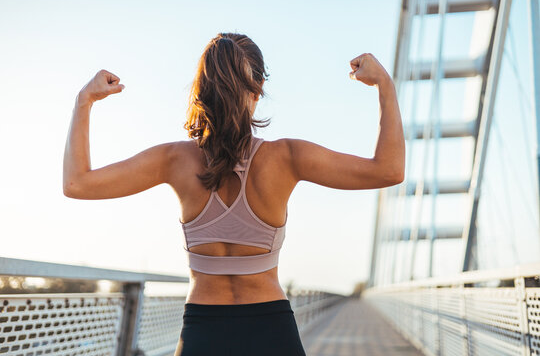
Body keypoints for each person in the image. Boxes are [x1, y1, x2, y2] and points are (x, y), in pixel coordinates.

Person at [63, 32, 405, 356]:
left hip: (202, 331)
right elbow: (389, 170)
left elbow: (78, 183)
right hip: (272, 329)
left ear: (202, 90)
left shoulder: (173, 160)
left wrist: (85, 101)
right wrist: (384, 86)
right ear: (257, 90)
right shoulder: (286, 158)